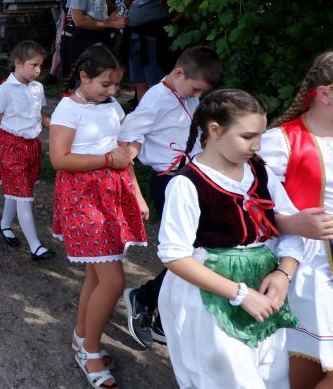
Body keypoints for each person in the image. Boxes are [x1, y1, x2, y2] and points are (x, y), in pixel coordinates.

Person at [158, 89, 302, 389]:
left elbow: (289, 224)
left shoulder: (259, 172)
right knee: (231, 380)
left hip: (263, 288)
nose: (257, 145)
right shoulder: (187, 183)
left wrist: (284, 273)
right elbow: (174, 255)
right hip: (212, 295)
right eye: (248, 136)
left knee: (273, 376)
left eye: (260, 136)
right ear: (215, 130)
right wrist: (240, 294)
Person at [49, 44, 148, 389]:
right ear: (84, 77)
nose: (112, 90)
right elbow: (59, 159)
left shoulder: (111, 106)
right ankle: (90, 350)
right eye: (105, 83)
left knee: (96, 274)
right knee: (113, 281)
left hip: (110, 196)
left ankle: (81, 338)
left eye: (116, 84)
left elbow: (122, 152)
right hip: (82, 198)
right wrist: (107, 161)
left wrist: (137, 193)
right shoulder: (67, 109)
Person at [119, 45, 224, 348]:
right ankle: (144, 299)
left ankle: (162, 313)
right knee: (187, 252)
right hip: (167, 181)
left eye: (201, 91)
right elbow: (128, 135)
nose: (197, 95)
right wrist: (131, 164)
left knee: (199, 250)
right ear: (179, 73)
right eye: (196, 89)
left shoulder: (187, 95)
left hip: (192, 177)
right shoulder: (155, 99)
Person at [259, 52, 333, 389]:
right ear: (325, 94)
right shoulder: (282, 141)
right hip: (308, 268)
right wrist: (294, 224)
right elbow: (248, 206)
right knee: (302, 370)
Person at [0, 41, 55, 261]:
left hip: (32, 147)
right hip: (11, 147)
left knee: (17, 190)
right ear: (18, 63)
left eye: (41, 65)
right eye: (34, 65)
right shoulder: (3, 90)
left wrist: (59, 126)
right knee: (23, 195)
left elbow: (40, 115)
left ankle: (5, 224)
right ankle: (35, 247)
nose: (38, 70)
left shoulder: (37, 88)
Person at [52, 0, 84, 82]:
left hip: (79, 31)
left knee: (77, 68)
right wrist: (62, 32)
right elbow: (64, 8)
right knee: (68, 67)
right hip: (69, 30)